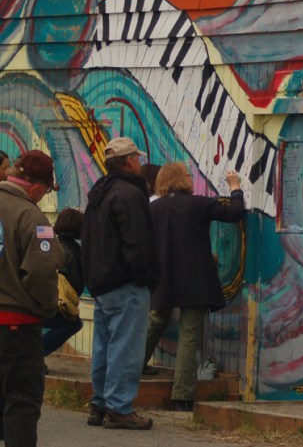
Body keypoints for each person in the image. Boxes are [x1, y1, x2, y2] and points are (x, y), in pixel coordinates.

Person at [143, 163, 245, 412]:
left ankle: (132, 368)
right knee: (189, 335)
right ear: (181, 179)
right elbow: (235, 213)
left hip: (163, 278)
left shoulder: (153, 209)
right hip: (194, 280)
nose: (191, 178)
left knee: (155, 321)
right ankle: (183, 396)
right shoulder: (199, 204)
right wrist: (235, 188)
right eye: (189, 175)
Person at [81, 137, 160, 430]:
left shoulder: (99, 192)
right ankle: (119, 408)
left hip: (101, 281)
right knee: (127, 347)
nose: (140, 163)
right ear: (129, 161)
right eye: (137, 158)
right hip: (126, 281)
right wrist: (145, 276)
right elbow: (137, 241)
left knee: (105, 346)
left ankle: (100, 403)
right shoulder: (130, 193)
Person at [0, 150, 61, 447]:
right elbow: (41, 271)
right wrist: (47, 307)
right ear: (37, 188)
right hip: (16, 324)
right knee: (21, 401)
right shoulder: (33, 217)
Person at [41, 208, 85, 356]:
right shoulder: (68, 249)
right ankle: (35, 354)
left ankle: (35, 354)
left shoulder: (57, 244)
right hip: (53, 303)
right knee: (73, 324)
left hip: (44, 302)